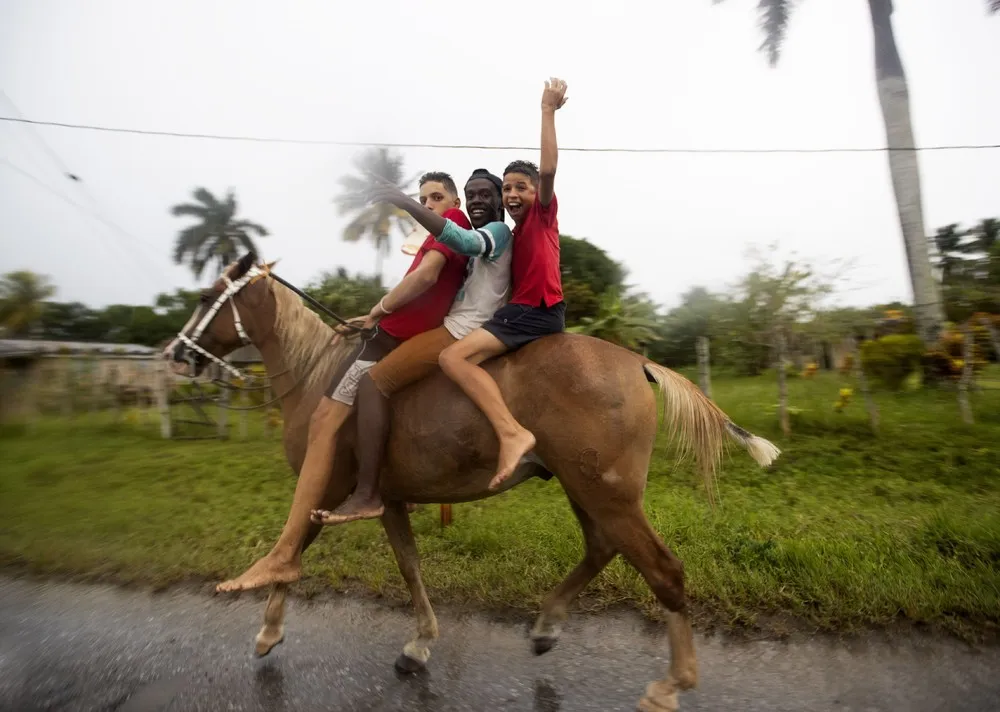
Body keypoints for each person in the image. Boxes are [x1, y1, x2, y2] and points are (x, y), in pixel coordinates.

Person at [216, 172, 470, 592]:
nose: (430, 204)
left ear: (455, 200)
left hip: (392, 339)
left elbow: (425, 280)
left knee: (322, 420)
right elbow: (418, 291)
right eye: (423, 197)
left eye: (437, 197)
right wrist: (372, 318)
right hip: (390, 332)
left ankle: (284, 554)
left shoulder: (453, 224)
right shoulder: (437, 232)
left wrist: (377, 311)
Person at [313, 168, 513, 524]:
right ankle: (401, 483)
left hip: (461, 329)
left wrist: (404, 202)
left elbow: (449, 258)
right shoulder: (481, 230)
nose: (477, 201)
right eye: (473, 195)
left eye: (485, 194)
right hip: (457, 323)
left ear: (499, 199)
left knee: (373, 383)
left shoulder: (493, 232)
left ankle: (367, 494)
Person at [438, 78, 569, 491]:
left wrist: (547, 111)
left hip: (534, 313)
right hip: (527, 312)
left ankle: (511, 433)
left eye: (520, 187)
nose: (513, 193)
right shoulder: (514, 233)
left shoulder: (542, 215)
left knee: (452, 360)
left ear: (536, 192)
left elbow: (547, 169)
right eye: (508, 188)